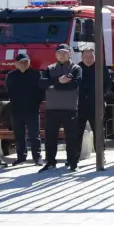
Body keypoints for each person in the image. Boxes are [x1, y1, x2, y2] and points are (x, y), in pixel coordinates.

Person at [38, 44, 83, 172]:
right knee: (50, 137)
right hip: (52, 108)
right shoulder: (49, 68)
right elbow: (42, 83)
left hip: (70, 108)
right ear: (56, 55)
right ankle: (50, 162)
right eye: (59, 53)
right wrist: (59, 80)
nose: (62, 55)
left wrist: (53, 86)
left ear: (70, 54)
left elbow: (74, 84)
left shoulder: (76, 68)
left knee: (72, 137)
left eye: (64, 53)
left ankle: (73, 163)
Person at [5, 53, 44, 166]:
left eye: (25, 62)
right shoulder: (11, 75)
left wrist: (36, 102)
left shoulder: (36, 74)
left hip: (32, 110)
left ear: (29, 63)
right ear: (16, 64)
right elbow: (8, 89)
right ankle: (21, 157)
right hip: (16, 110)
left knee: (34, 135)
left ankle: (37, 157)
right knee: (19, 135)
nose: (23, 64)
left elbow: (41, 91)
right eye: (20, 62)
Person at [76, 47, 114, 152]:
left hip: (96, 104)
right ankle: (75, 156)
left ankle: (100, 154)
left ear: (95, 57)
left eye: (91, 57)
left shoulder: (101, 68)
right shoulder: (77, 68)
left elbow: (108, 84)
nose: (89, 59)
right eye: (86, 57)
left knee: (98, 130)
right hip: (80, 105)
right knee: (77, 131)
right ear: (82, 57)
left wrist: (101, 95)